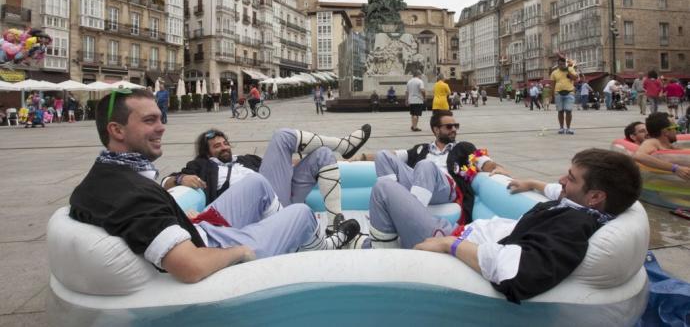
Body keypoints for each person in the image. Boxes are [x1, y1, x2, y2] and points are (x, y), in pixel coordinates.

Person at [69, 89, 360, 285]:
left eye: (160, 118)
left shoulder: (108, 175)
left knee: (258, 182)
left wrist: (184, 219)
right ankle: (326, 244)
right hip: (213, 246)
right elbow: (190, 265)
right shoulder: (131, 192)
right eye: (149, 120)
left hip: (202, 227)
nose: (161, 127)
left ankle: (283, 231)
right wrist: (242, 251)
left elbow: (152, 218)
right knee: (300, 213)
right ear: (116, 130)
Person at [411, 148, 641, 303]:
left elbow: (519, 272)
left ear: (595, 197)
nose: (561, 180)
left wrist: (450, 244)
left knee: (385, 191)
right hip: (468, 234)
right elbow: (555, 189)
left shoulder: (573, 225)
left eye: (571, 178)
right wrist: (531, 183)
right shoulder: (579, 205)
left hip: (457, 245)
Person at [161, 125, 371, 234]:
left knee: (324, 154)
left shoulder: (247, 159)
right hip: (256, 210)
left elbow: (279, 169)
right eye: (217, 146)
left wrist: (301, 164)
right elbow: (166, 182)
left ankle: (335, 224)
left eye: (225, 143)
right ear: (207, 153)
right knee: (282, 136)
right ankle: (344, 145)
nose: (224, 147)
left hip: (282, 199)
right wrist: (180, 178)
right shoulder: (202, 165)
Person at [354, 110, 506, 244]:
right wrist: (360, 157)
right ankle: (391, 207)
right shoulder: (421, 148)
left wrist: (497, 167)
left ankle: (410, 214)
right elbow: (394, 155)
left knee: (425, 165)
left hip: (445, 188)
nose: (454, 129)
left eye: (455, 126)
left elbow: (482, 161)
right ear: (436, 129)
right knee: (383, 155)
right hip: (420, 182)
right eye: (449, 127)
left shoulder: (463, 147)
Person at [634, 112, 690, 181]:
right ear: (665, 131)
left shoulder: (669, 146)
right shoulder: (653, 142)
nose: (677, 131)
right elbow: (639, 156)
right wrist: (675, 168)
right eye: (675, 127)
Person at [550, 55, 578, 134]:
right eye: (560, 64)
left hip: (569, 93)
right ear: (558, 64)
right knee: (560, 111)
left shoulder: (571, 69)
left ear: (565, 64)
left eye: (563, 64)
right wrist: (552, 95)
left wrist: (568, 70)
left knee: (568, 111)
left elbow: (575, 78)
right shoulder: (554, 73)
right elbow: (552, 84)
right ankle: (561, 128)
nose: (561, 66)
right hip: (558, 94)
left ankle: (568, 128)